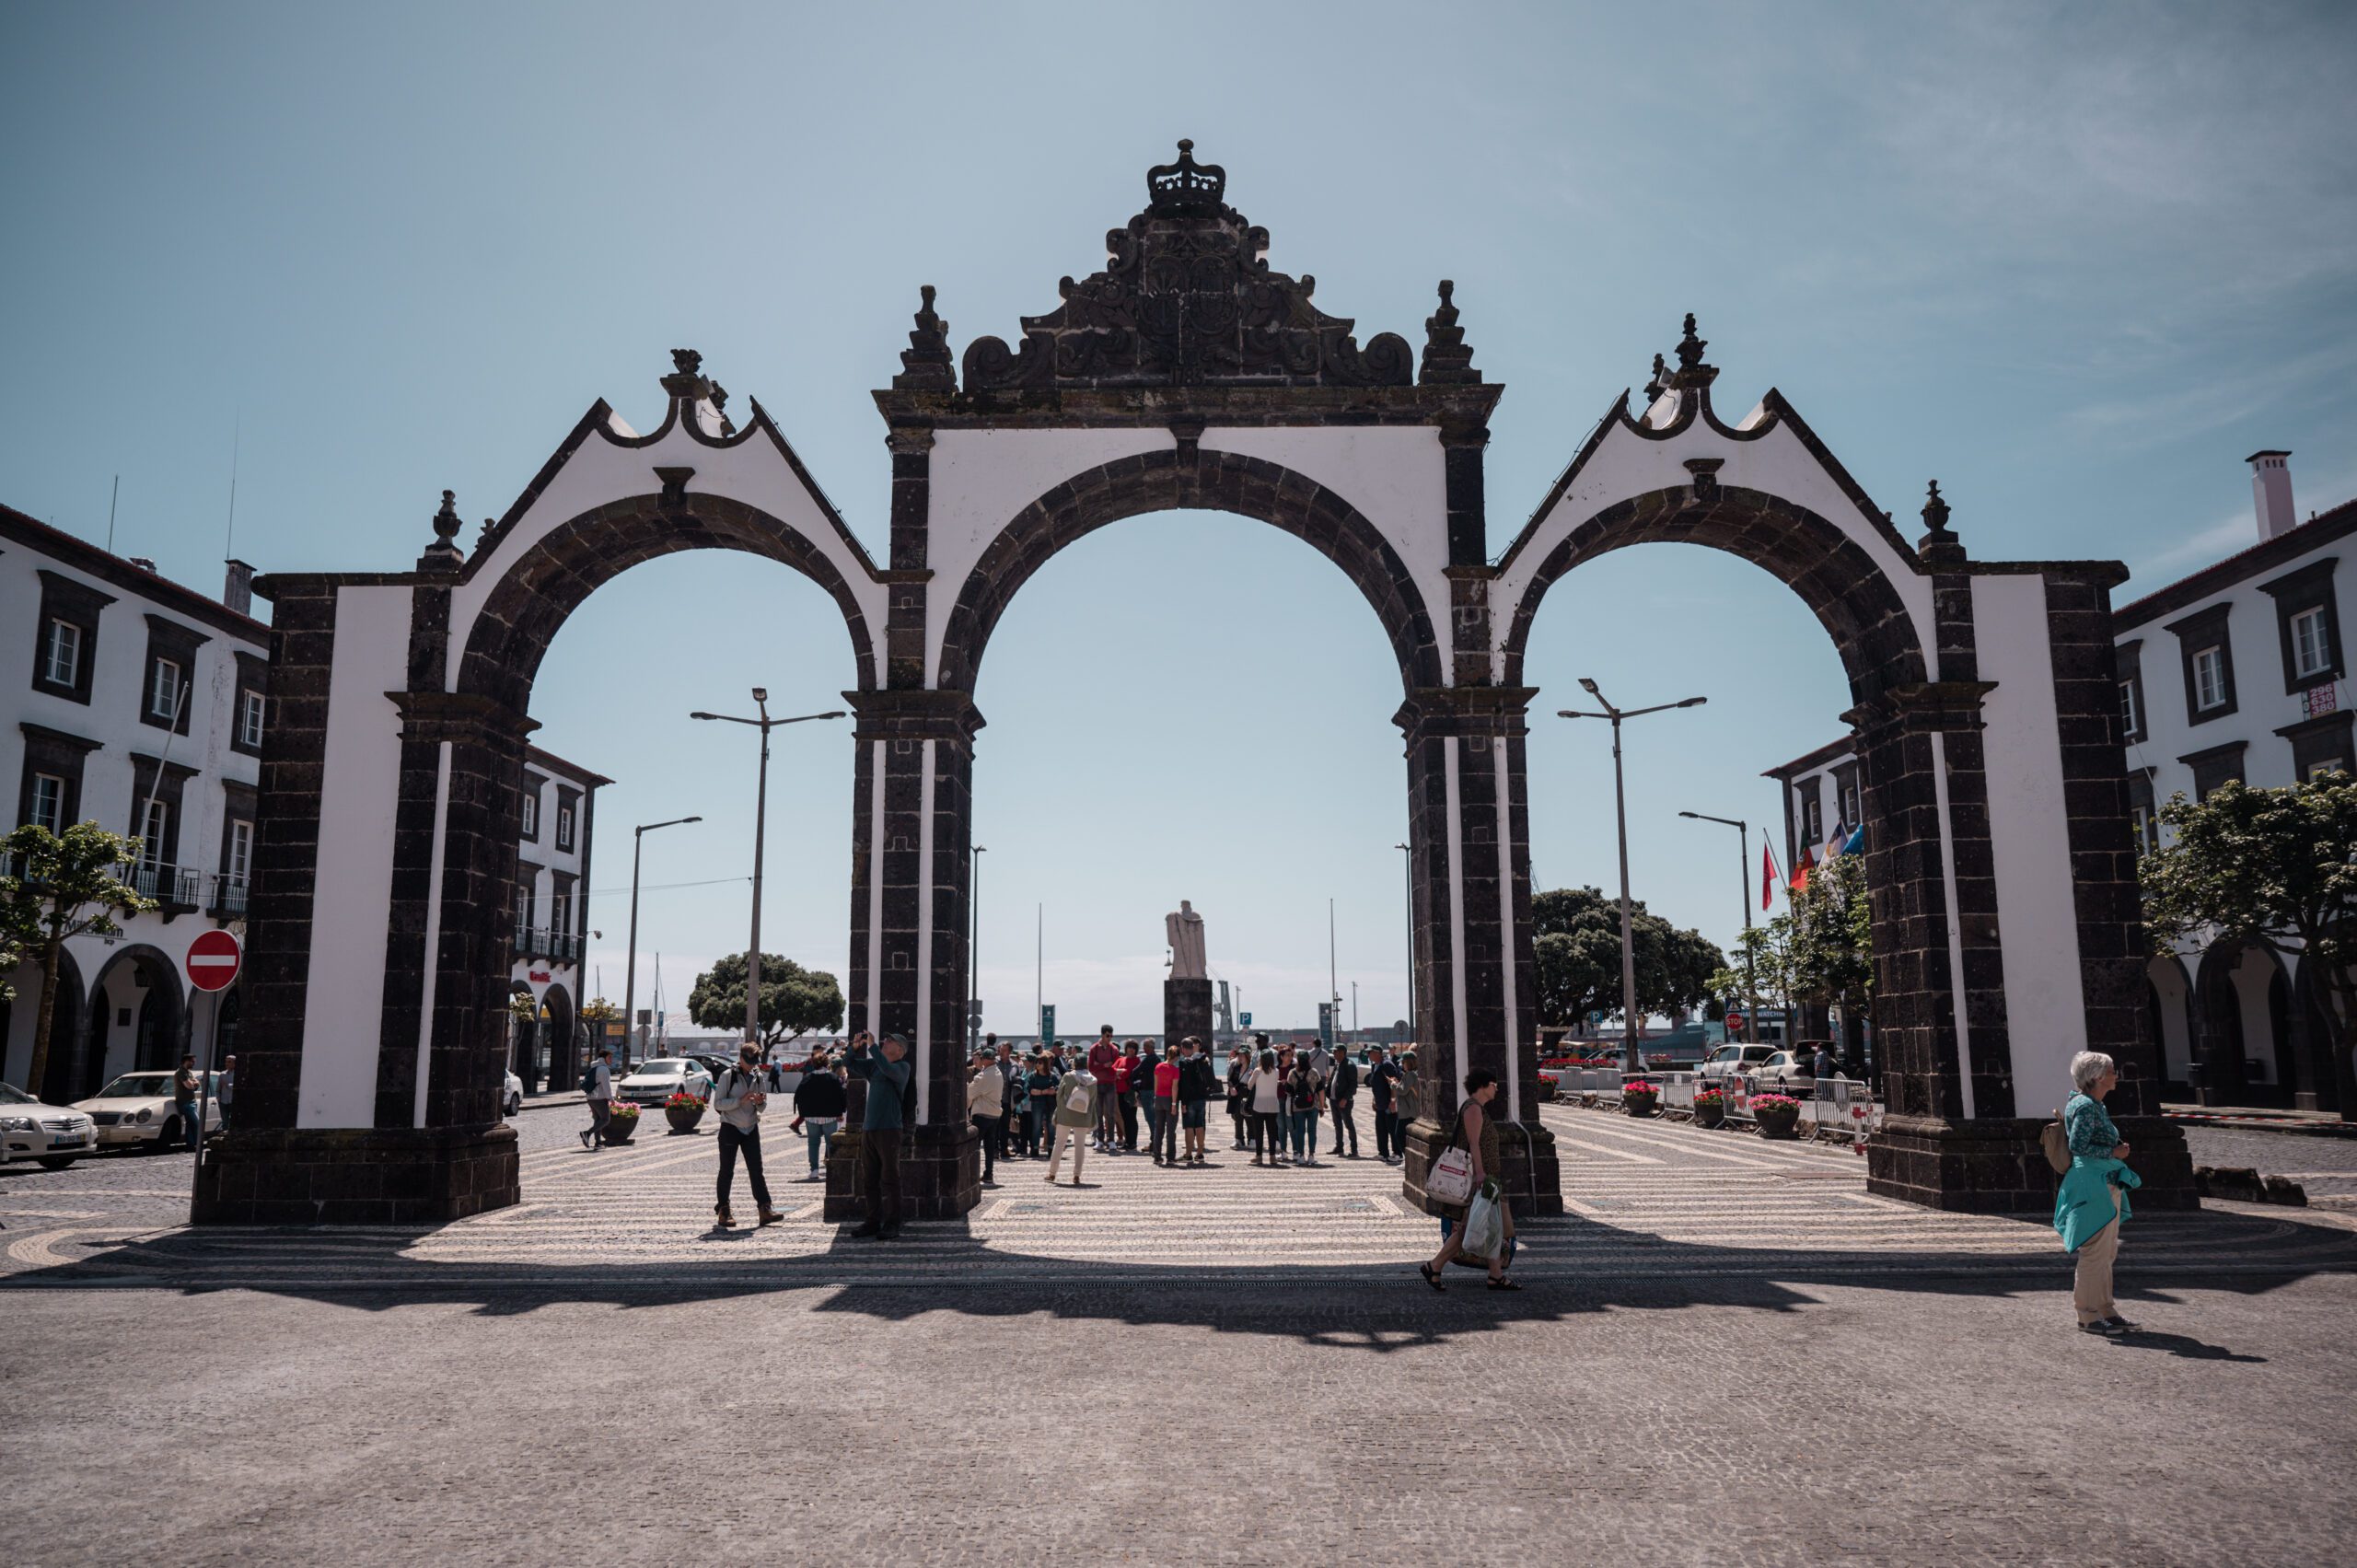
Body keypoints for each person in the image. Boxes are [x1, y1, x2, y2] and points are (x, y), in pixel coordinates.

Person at [2055, 1050, 2143, 1336]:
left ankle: (2106, 1309)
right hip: (2093, 1183)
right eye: (2111, 1070)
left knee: (2106, 1251)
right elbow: (2078, 1146)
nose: (2115, 1075)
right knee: (2095, 1251)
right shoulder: (2086, 1106)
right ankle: (2088, 1315)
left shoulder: (2094, 1105)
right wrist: (2113, 1151)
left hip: (2103, 1180)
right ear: (2096, 1077)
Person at [1420, 1068, 1518, 1291]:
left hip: (1487, 1178)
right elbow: (1473, 1143)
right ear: (1483, 1086)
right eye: (1494, 1084)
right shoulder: (1473, 1109)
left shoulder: (1478, 1108)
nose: (1496, 1089)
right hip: (1480, 1178)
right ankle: (1435, 1265)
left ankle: (1493, 1274)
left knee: (1487, 1225)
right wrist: (1481, 1173)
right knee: (1477, 1226)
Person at [844, 1033, 912, 1240]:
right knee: (870, 1179)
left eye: (890, 1041)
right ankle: (872, 1221)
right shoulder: (874, 1065)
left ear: (899, 1050)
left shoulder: (902, 1067)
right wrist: (854, 1047)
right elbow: (849, 1063)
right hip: (870, 1129)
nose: (885, 1042)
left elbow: (888, 1069)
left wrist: (872, 1047)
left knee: (890, 1178)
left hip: (889, 1130)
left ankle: (893, 1222)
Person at [711, 1043, 783, 1230]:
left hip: (751, 1127)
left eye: (754, 1062)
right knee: (727, 1170)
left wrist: (760, 1102)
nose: (751, 1065)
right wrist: (739, 1101)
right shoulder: (728, 1076)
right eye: (749, 1061)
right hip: (730, 1126)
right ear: (740, 1058)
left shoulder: (758, 1077)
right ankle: (724, 1210)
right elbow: (718, 1104)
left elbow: (762, 1106)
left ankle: (765, 1208)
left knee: (756, 1169)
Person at [790, 1051, 846, 1179]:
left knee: (813, 1144)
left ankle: (814, 1170)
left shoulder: (807, 1078)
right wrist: (840, 1112)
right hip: (830, 1117)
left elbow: (799, 1096)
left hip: (811, 1117)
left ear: (813, 1064)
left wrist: (803, 1113)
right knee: (830, 1143)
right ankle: (831, 1169)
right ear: (827, 1064)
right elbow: (841, 1097)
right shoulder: (833, 1078)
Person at [1047, 1058, 1099, 1187]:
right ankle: (1077, 1175)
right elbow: (1093, 1100)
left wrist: (1059, 1112)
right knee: (1080, 1146)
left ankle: (1052, 1173)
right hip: (1083, 1115)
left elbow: (1059, 1095)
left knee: (1059, 1143)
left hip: (1066, 1115)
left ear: (1074, 1064)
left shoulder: (1068, 1076)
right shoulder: (1092, 1080)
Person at [967, 1046, 1004, 1188]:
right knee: (989, 1147)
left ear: (985, 1060)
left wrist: (968, 1085)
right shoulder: (998, 1073)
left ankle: (972, 1174)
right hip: (994, 1114)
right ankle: (989, 1174)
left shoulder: (983, 1076)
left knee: (975, 1146)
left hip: (982, 1113)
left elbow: (970, 1094)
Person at [1178, 1038, 1216, 1166]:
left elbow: (1185, 1085)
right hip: (1202, 1098)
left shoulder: (1185, 1063)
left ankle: (1188, 1154)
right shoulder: (1204, 1059)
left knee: (1189, 1126)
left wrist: (1183, 1102)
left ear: (1183, 1048)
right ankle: (1200, 1153)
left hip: (1190, 1099)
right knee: (1200, 1126)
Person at [1247, 1049, 1287, 1166]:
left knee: (1259, 1132)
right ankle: (1272, 1156)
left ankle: (1259, 1156)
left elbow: (1249, 1086)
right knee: (1272, 1131)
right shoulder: (1276, 1071)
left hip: (1259, 1104)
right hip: (1273, 1105)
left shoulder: (1257, 1071)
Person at [1284, 1049, 1324, 1166]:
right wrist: (1322, 1106)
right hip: (1313, 1106)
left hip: (1298, 1107)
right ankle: (1311, 1155)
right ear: (1309, 1060)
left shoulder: (1292, 1073)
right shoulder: (1314, 1072)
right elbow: (1321, 1091)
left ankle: (1301, 1155)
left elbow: (1288, 1091)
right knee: (1312, 1131)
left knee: (1299, 1131)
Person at [1087, 1028, 1121, 1150]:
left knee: (1110, 1114)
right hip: (1097, 1083)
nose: (1110, 1038)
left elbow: (1116, 1066)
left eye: (1111, 1036)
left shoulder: (1114, 1050)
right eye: (1107, 1036)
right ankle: (1100, 1140)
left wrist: (1100, 1065)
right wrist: (1104, 1065)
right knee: (1098, 1114)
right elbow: (1091, 1067)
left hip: (1110, 1084)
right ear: (1102, 1035)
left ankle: (1111, 1140)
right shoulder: (1094, 1049)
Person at [1366, 1046, 1402, 1163]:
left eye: (1370, 1052)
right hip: (1380, 1103)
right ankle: (1383, 1153)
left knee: (1392, 1129)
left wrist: (1393, 1099)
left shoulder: (1387, 1064)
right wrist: (1374, 1099)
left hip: (1388, 1103)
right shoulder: (1375, 1065)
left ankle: (1397, 1153)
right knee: (1380, 1129)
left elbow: (1394, 1081)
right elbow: (1376, 1085)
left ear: (1378, 1053)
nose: (1368, 1055)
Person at [1149, 1041, 1182, 1165]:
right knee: (1170, 1131)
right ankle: (1170, 1157)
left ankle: (1157, 1156)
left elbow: (1155, 1085)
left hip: (1158, 1099)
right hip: (1169, 1100)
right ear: (1177, 1057)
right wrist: (1174, 1104)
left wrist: (1156, 1098)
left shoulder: (1158, 1066)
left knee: (1159, 1129)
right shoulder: (1175, 1070)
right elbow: (1174, 1088)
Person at [580, 1047, 614, 1150]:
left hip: (590, 1097)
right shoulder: (604, 1069)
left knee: (598, 1120)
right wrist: (611, 1098)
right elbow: (606, 1085)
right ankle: (587, 1133)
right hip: (600, 1098)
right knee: (605, 1119)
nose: (611, 1060)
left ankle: (598, 1143)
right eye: (609, 1058)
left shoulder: (594, 1067)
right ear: (604, 1058)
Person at [1329, 1049, 1361, 1157]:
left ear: (1342, 1052)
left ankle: (1354, 1149)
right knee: (1337, 1124)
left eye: (1336, 1052)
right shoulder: (1338, 1064)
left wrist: (1345, 1098)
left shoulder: (1349, 1065)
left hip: (1343, 1100)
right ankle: (1339, 1147)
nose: (1333, 1054)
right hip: (1334, 1099)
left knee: (1348, 1125)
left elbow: (1353, 1085)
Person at [1026, 1054, 1059, 1156]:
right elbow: (1031, 1090)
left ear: (1045, 1064)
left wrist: (1041, 1091)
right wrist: (1045, 1091)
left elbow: (1056, 1089)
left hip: (1051, 1104)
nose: (1037, 1065)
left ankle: (1051, 1148)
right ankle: (1035, 1149)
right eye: (1036, 1062)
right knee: (1036, 1126)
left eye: (1040, 1063)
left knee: (1051, 1126)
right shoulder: (1033, 1076)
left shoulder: (1052, 1076)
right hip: (1037, 1104)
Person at [1115, 1040, 1144, 1153]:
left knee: (1131, 1117)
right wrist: (1120, 1072)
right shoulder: (1120, 1059)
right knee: (1124, 1118)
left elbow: (1131, 1073)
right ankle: (1128, 1142)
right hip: (1120, 1092)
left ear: (1136, 1050)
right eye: (1129, 1047)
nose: (1131, 1049)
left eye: (1133, 1048)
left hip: (1131, 1093)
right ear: (1125, 1049)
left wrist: (1120, 1073)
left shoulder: (1137, 1060)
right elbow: (1112, 1070)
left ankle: (1133, 1142)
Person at [172, 1054, 202, 1152]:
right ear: (186, 1061)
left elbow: (196, 1083)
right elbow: (189, 1085)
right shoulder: (181, 1072)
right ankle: (198, 1144)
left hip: (191, 1101)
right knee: (197, 1123)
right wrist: (194, 1083)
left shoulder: (188, 1072)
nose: (194, 1063)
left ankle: (190, 1145)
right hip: (185, 1103)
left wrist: (194, 1083)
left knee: (190, 1124)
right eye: (192, 1061)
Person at [1225, 1046, 1251, 1149]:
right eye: (1239, 1055)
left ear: (1247, 1056)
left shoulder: (1252, 1068)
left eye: (1242, 1055)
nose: (1240, 1057)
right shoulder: (1236, 1068)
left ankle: (1252, 1139)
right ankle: (1239, 1139)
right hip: (1236, 1095)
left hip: (1247, 1095)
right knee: (1238, 1118)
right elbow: (1230, 1079)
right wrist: (1231, 1088)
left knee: (1249, 1117)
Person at [217, 1054, 236, 1132]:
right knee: (225, 1122)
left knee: (233, 1122)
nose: (227, 1064)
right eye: (226, 1062)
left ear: (234, 1063)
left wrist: (228, 1085)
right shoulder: (222, 1074)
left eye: (229, 1062)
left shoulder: (237, 1074)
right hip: (223, 1101)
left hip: (233, 1101)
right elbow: (218, 1088)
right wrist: (218, 1097)